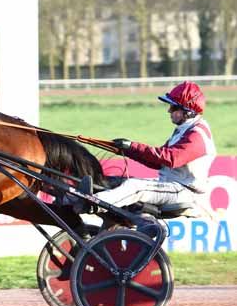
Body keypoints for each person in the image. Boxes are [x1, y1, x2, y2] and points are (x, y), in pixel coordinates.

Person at [77, 81, 216, 215]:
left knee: (135, 187)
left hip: (185, 192)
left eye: (173, 107)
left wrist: (133, 146)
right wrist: (127, 150)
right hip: (171, 185)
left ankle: (93, 204)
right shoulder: (184, 130)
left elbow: (171, 158)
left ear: (188, 111)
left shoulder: (197, 134)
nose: (169, 111)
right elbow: (156, 162)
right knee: (119, 182)